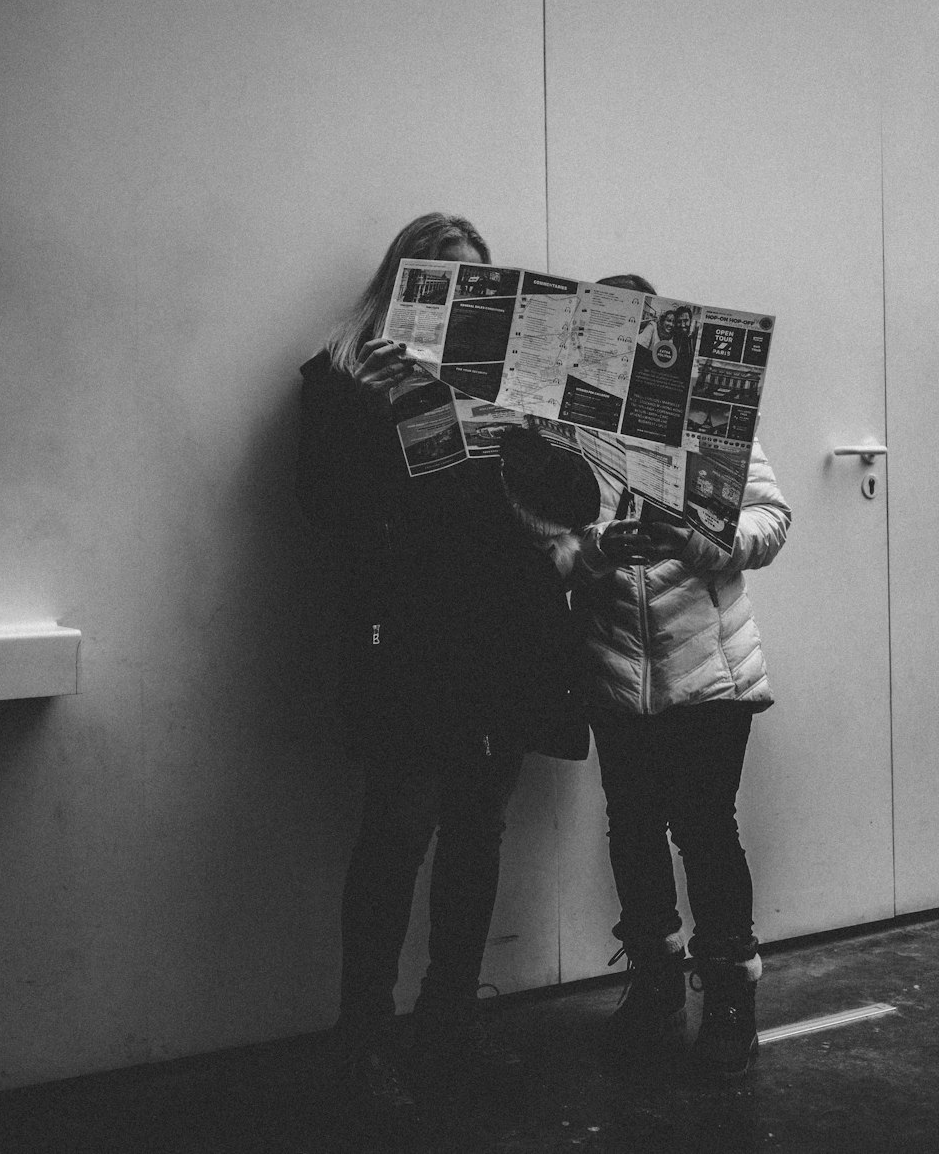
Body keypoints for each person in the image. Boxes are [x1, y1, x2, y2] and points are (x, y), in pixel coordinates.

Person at [295, 213, 601, 1114]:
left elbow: (575, 498)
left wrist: (532, 428)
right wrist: (390, 418)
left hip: (504, 639)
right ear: (400, 284)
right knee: (396, 833)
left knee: (477, 832)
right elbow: (323, 506)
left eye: (476, 282)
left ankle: (448, 1022)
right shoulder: (342, 378)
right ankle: (362, 1039)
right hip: (411, 642)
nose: (458, 294)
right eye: (439, 276)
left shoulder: (513, 385)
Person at [571, 272, 791, 1080]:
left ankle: (732, 999)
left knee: (704, 827)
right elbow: (548, 540)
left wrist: (700, 538)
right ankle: (657, 986)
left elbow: (770, 520)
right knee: (630, 828)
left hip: (711, 671)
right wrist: (599, 548)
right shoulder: (569, 427)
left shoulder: (713, 418)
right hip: (613, 667)